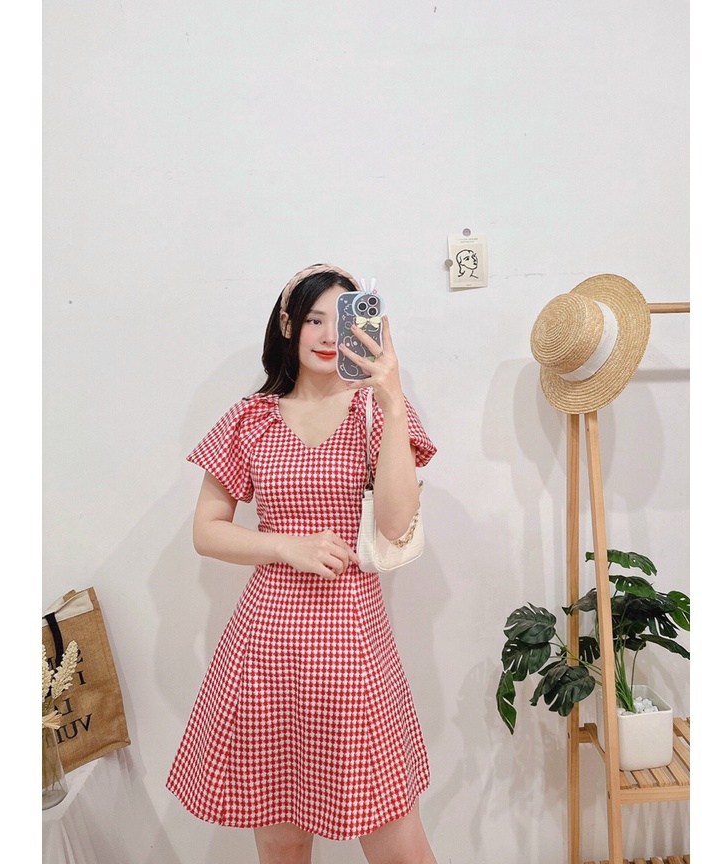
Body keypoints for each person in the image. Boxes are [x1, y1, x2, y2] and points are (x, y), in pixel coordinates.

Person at [166, 264, 439, 864]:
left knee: (399, 846)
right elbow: (206, 531)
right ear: (288, 326)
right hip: (264, 651)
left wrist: (393, 400)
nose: (328, 335)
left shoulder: (374, 412)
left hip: (352, 650)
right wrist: (286, 545)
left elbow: (396, 525)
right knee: (282, 845)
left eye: (342, 320)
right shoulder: (250, 418)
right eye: (314, 319)